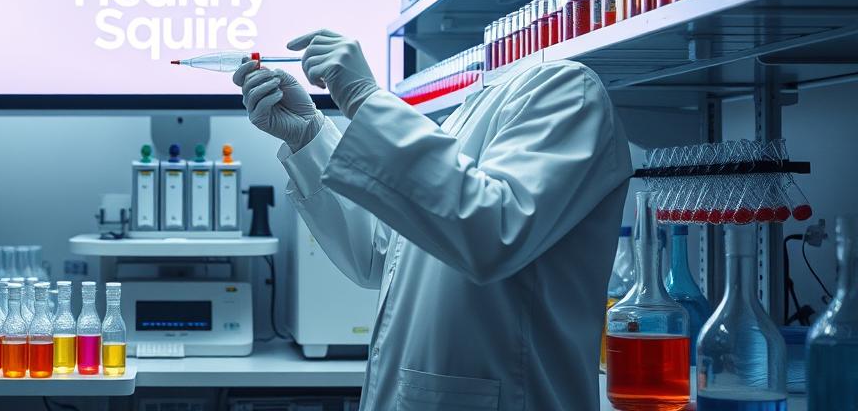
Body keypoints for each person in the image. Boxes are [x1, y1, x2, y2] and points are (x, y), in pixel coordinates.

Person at [234, 29, 631, 410]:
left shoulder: (566, 91)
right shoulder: (466, 115)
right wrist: (308, 136)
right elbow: (378, 255)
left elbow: (493, 233)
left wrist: (366, 99)